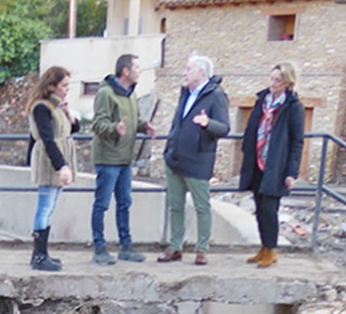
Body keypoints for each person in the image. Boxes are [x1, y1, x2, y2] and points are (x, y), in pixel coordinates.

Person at [157, 55, 230, 266]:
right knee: (175, 205)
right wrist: (169, 146)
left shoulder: (216, 95)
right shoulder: (185, 93)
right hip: (175, 158)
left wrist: (208, 123)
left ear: (201, 72)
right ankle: (175, 246)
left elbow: (224, 128)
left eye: (188, 69)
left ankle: (202, 249)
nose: (184, 72)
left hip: (198, 160)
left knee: (201, 206)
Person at [89, 53, 157, 265]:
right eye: (136, 67)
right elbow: (98, 125)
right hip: (108, 158)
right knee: (102, 204)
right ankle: (99, 247)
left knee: (124, 203)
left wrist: (143, 126)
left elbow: (131, 121)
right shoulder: (106, 94)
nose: (140, 70)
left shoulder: (131, 95)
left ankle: (125, 246)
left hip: (124, 159)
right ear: (125, 71)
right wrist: (114, 129)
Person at [239, 62, 305, 268]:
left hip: (276, 164)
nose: (273, 83)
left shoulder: (293, 107)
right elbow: (252, 127)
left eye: (278, 80)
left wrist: (291, 172)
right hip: (257, 160)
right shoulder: (262, 101)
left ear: (288, 82)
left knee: (269, 208)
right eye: (272, 78)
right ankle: (264, 247)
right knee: (259, 207)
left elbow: (297, 141)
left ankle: (272, 250)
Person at [25, 65, 78, 272]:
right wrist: (62, 165)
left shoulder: (56, 107)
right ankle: (39, 255)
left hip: (55, 159)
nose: (67, 89)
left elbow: (72, 128)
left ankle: (42, 253)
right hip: (49, 162)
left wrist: (68, 113)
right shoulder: (41, 108)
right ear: (52, 86)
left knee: (50, 206)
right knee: (44, 207)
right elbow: (47, 139)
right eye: (64, 85)